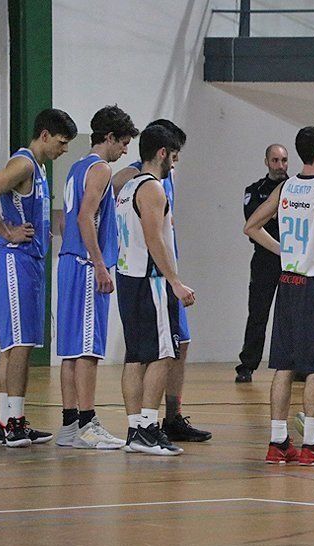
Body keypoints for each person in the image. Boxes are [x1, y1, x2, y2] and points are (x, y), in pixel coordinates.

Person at [244, 126, 314, 466]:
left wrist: (284, 252)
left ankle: (278, 443)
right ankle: (312, 443)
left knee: (283, 366)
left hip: (287, 281)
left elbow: (251, 226)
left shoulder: (285, 187)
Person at [0, 108, 77, 447]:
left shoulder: (39, 166)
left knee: (13, 345)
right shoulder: (23, 164)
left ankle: (5, 420)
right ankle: (15, 421)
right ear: (45, 135)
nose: (64, 150)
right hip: (15, 260)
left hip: (29, 261)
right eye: (62, 143)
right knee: (20, 346)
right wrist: (6, 231)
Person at [112, 120, 211, 443]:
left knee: (135, 356)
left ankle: (135, 428)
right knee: (162, 354)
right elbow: (155, 240)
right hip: (149, 279)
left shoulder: (127, 187)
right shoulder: (151, 188)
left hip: (128, 276)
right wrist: (175, 282)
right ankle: (148, 427)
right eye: (175, 155)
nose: (176, 162)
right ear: (163, 153)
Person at [56, 105, 138, 449]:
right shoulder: (101, 169)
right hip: (89, 266)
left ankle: (70, 425)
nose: (125, 149)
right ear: (109, 138)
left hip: (69, 262)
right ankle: (89, 423)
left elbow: (67, 218)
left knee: (72, 351)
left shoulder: (76, 167)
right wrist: (101, 264)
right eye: (123, 142)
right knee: (88, 349)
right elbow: (85, 217)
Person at [235, 144, 288, 383]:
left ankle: (294, 366)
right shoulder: (254, 190)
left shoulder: (296, 187)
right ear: (266, 162)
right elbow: (253, 223)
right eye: (275, 160)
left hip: (292, 261)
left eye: (284, 160)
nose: (280, 166)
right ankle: (247, 365)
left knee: (292, 315)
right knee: (258, 313)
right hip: (265, 259)